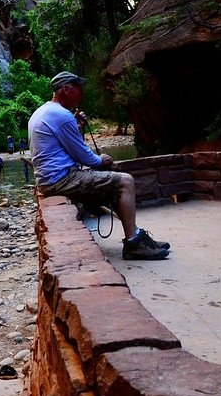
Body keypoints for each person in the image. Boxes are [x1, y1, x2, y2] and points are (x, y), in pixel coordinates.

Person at [28, 71, 171, 260]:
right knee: (125, 181)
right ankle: (133, 243)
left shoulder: (44, 111)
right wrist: (101, 160)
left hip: (51, 179)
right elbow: (84, 157)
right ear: (66, 89)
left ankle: (135, 234)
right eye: (78, 88)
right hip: (60, 180)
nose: (82, 94)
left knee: (111, 182)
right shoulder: (61, 115)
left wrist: (77, 127)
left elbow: (71, 150)